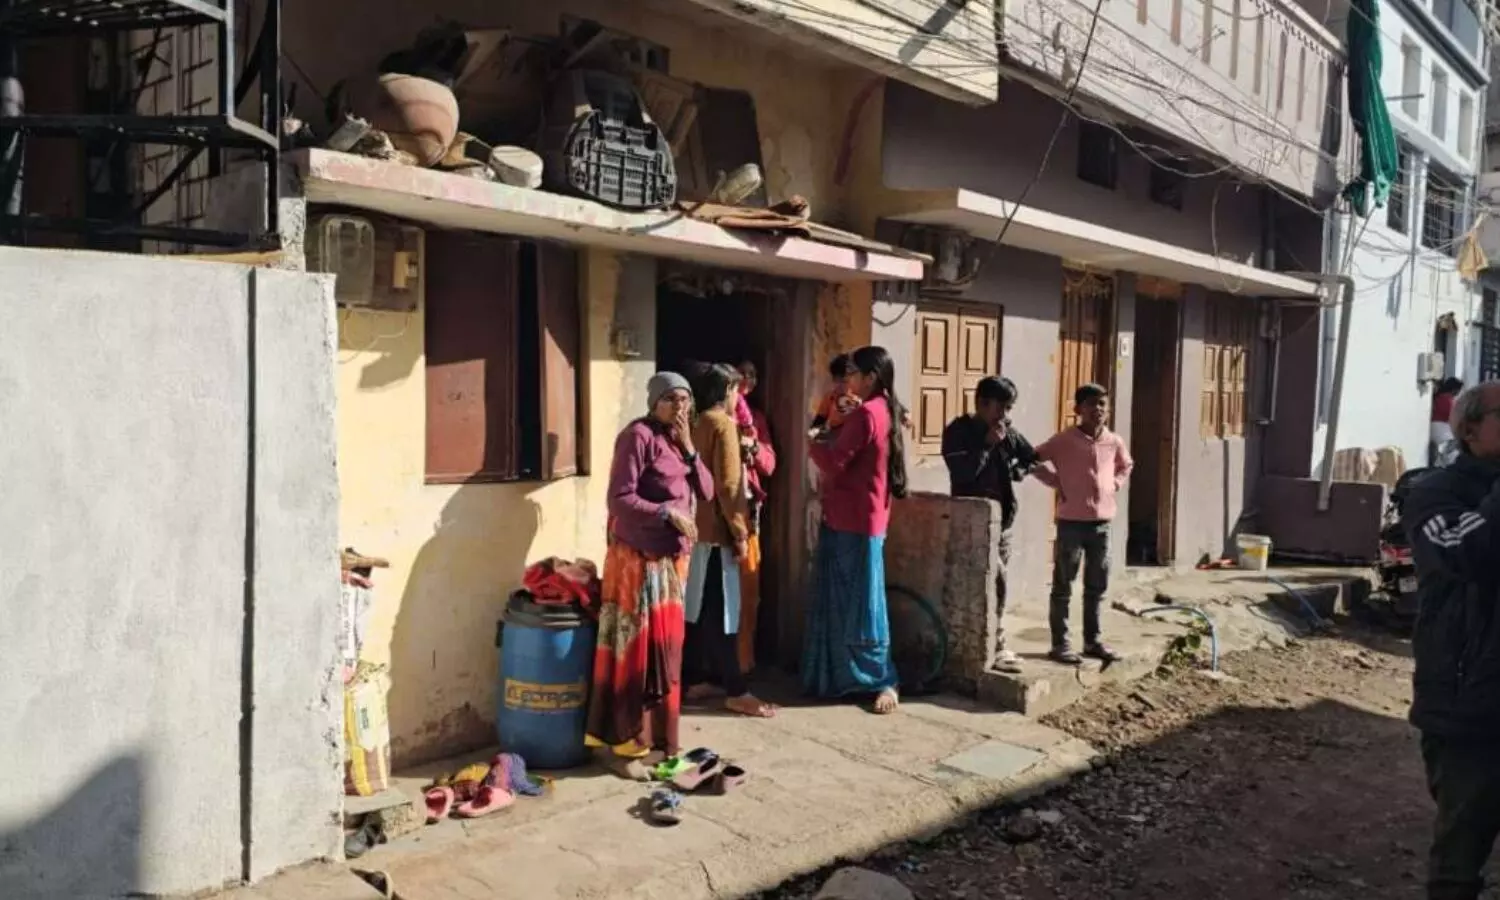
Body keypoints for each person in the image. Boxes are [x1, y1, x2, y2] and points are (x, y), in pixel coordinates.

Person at [586, 372, 711, 777]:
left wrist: (690, 449)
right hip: (637, 562)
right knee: (637, 654)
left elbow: (708, 491)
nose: (680, 407)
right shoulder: (637, 437)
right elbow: (619, 499)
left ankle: (661, 743)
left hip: (671, 564)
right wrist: (665, 513)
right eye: (671, 399)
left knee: (667, 655)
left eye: (685, 399)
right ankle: (627, 748)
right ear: (654, 403)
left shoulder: (679, 442)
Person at [1403, 380, 1500, 900]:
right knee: (1458, 864)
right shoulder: (1435, 493)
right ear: (1469, 429)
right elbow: (1470, 552)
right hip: (1468, 706)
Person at [804, 345, 909, 714]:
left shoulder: (867, 414)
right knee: (849, 603)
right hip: (859, 517)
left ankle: (882, 679)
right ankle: (844, 679)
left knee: (863, 607)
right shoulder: (885, 409)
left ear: (870, 377)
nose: (848, 380)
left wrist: (813, 440)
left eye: (853, 373)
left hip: (854, 520)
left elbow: (835, 461)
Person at [682, 364, 777, 718]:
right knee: (722, 611)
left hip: (694, 529)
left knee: (697, 609)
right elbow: (730, 486)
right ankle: (736, 690)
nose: (738, 396)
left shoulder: (694, 422)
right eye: (735, 389)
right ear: (726, 391)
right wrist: (739, 532)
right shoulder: (722, 424)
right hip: (716, 535)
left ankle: (694, 679)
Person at [941, 375, 1039, 675]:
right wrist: (985, 446)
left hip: (1002, 522)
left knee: (998, 584)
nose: (1004, 416)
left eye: (1009, 409)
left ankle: (996, 642)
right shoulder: (959, 432)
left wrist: (1018, 469)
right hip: (971, 521)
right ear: (982, 403)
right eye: (1000, 408)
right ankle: (971, 646)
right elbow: (962, 473)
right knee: (978, 585)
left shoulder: (1007, 432)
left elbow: (1031, 457)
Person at [1032, 383, 1133, 666]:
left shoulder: (1114, 441)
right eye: (1091, 404)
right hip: (1071, 523)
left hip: (1102, 524)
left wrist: (1115, 484)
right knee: (1063, 585)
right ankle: (1060, 644)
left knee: (1096, 586)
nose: (1097, 409)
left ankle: (1093, 641)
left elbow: (1126, 465)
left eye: (1102, 404)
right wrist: (1057, 482)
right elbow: (1032, 459)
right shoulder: (1063, 440)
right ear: (1078, 409)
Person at [736, 359, 778, 674]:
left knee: (748, 587)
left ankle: (743, 662)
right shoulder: (711, 417)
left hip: (748, 512)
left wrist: (752, 448)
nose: (748, 380)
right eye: (742, 373)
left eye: (753, 374)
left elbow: (770, 465)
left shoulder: (756, 419)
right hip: (716, 516)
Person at [809, 353, 861, 441]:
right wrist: (814, 432)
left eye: (844, 381)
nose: (839, 385)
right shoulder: (830, 397)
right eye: (836, 381)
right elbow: (819, 421)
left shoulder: (858, 399)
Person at [1432, 377, 1464, 467]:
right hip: (1442, 430)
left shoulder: (1439, 397)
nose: (1458, 393)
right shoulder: (1447, 400)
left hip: (1437, 429)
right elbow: (1452, 416)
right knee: (1450, 455)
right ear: (1454, 389)